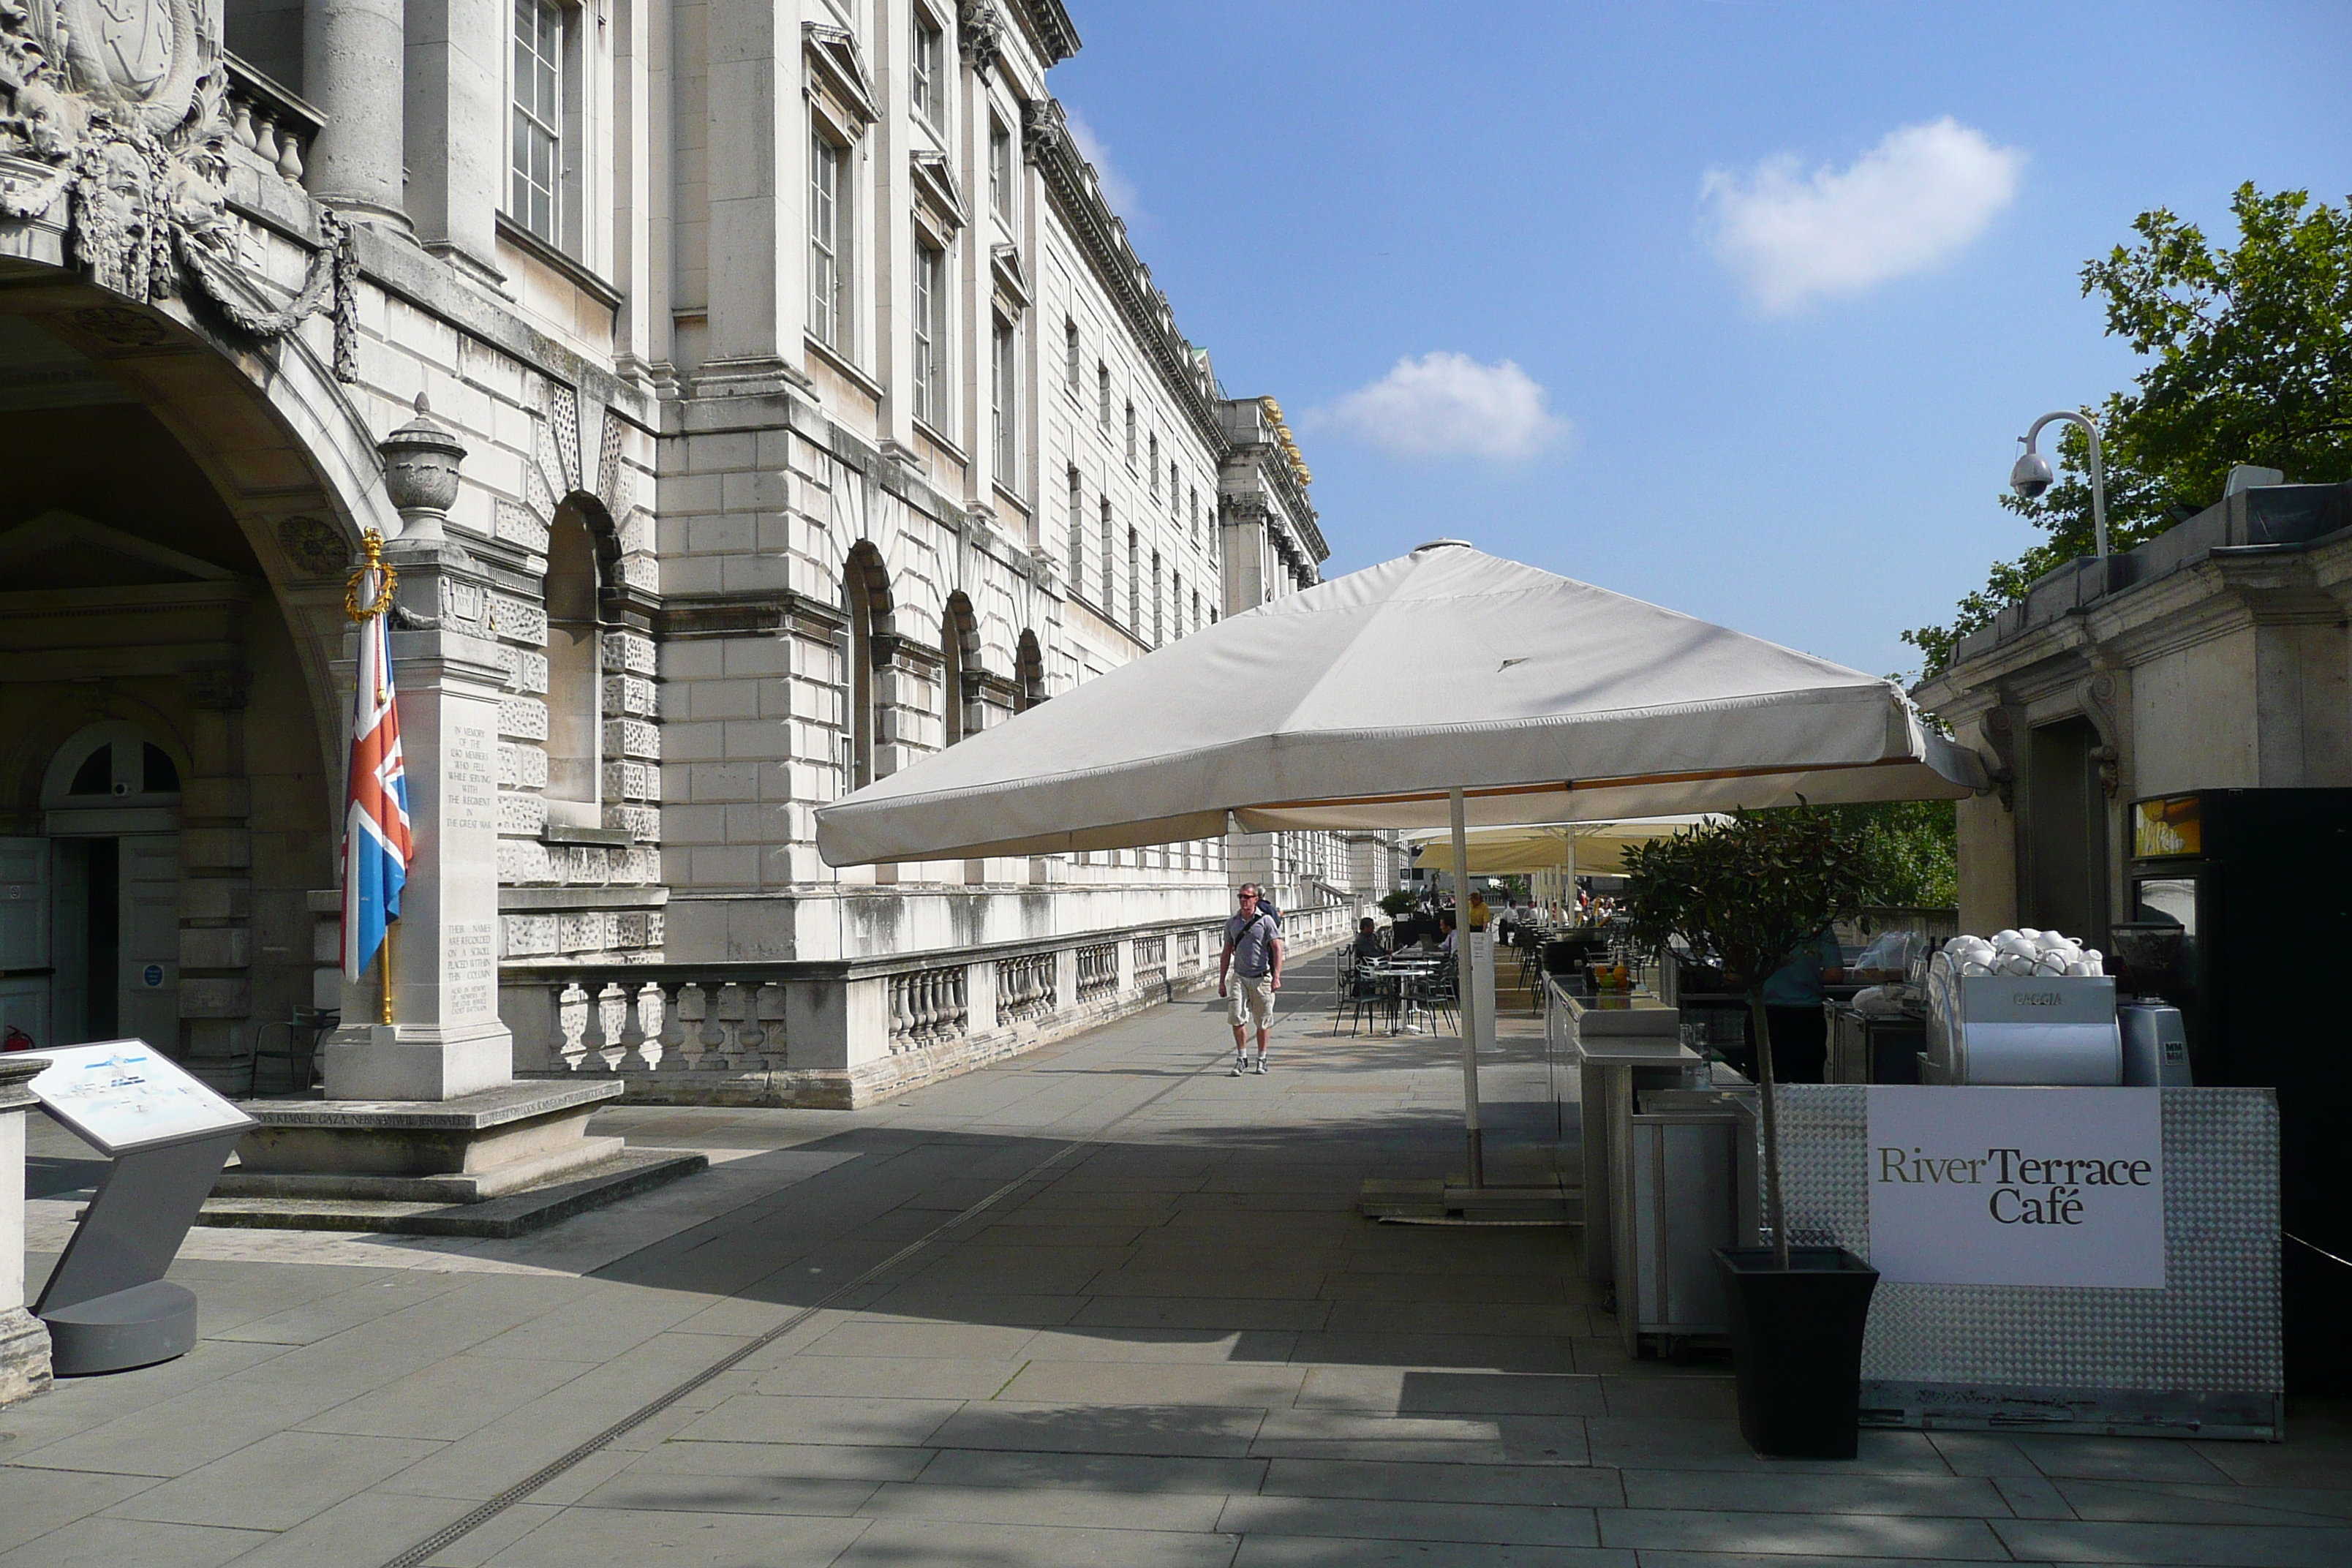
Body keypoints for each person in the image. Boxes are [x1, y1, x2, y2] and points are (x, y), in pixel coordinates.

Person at [1745, 926, 1844, 1084]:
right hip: (1807, 1016)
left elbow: (1733, 975)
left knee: (1764, 1086)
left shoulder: (1752, 920)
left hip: (1764, 1014)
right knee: (1809, 1087)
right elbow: (1835, 973)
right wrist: (1806, 977)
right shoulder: (1817, 921)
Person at [1219, 883, 1284, 1076]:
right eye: (1240, 897)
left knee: (1263, 1020)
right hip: (1239, 976)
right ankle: (1242, 1058)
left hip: (1262, 976)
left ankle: (1262, 1058)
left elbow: (1277, 949)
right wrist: (1222, 981)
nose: (1244, 900)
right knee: (1237, 1017)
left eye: (1247, 897)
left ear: (1256, 899)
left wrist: (1276, 976)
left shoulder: (1266, 921)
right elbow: (1226, 952)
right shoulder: (1232, 923)